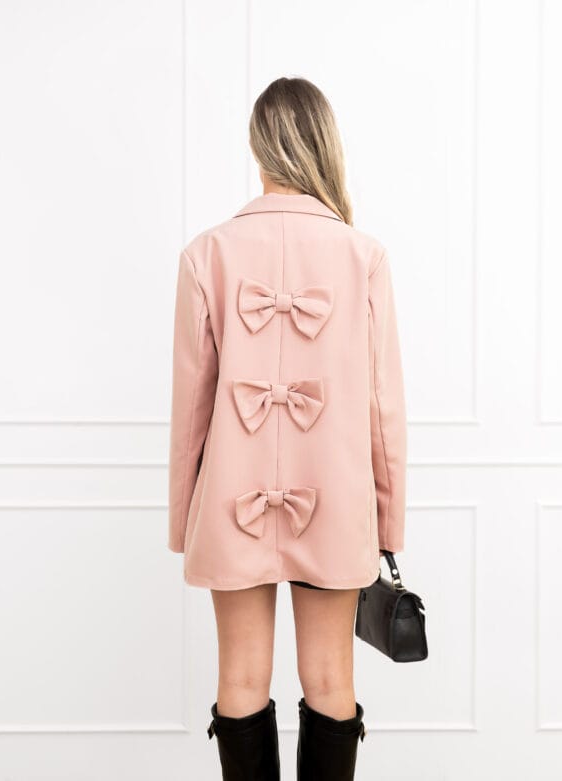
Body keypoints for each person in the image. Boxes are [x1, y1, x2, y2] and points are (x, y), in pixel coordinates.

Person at [168, 76, 407, 780]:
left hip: (232, 499)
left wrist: (186, 521)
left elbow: (191, 408)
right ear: (325, 144)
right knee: (331, 678)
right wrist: (387, 521)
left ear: (257, 147)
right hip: (335, 497)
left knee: (240, 677)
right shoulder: (364, 256)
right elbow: (383, 409)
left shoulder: (206, 254)